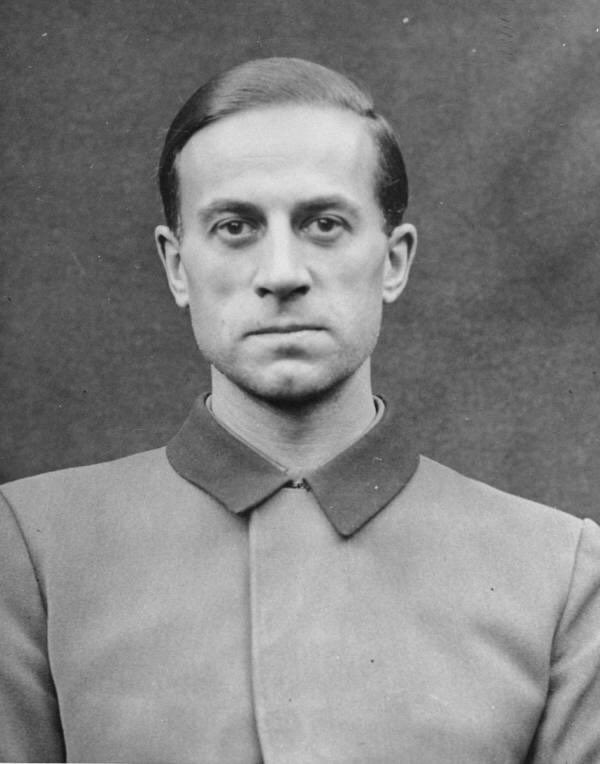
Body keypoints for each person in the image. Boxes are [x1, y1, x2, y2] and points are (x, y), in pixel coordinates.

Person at [1, 57, 599, 764]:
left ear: (394, 261)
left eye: (324, 223)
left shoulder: (559, 572)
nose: (282, 273)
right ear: (176, 266)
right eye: (235, 226)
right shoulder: (32, 547)